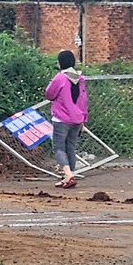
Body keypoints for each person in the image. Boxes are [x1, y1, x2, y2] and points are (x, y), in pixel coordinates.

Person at [45, 50, 88, 188]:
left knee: (58, 147)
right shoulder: (80, 79)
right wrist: (83, 119)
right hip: (76, 119)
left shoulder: (60, 78)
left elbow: (49, 95)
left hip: (61, 119)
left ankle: (68, 174)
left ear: (60, 63)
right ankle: (68, 177)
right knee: (71, 148)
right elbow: (83, 100)